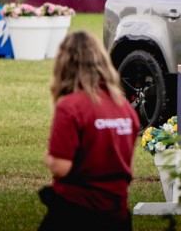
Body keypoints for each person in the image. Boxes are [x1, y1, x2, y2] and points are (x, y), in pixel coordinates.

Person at [40, 30, 139, 231]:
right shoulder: (124, 107)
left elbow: (61, 166)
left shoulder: (70, 107)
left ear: (64, 66)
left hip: (76, 212)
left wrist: (48, 158)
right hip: (117, 213)